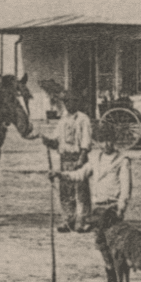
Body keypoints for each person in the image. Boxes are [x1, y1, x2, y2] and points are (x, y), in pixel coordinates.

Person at [52, 119, 133, 282]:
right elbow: (79, 174)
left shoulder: (122, 160)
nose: (106, 144)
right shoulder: (95, 158)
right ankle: (112, 281)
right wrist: (60, 174)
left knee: (113, 247)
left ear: (115, 140)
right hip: (98, 208)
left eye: (110, 140)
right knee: (103, 247)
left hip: (112, 209)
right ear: (97, 142)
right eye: (103, 141)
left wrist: (121, 207)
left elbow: (126, 187)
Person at [41, 93, 93, 231]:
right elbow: (56, 140)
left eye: (72, 101)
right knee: (65, 192)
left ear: (77, 103)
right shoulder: (63, 119)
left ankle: (83, 221)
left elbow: (86, 141)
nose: (69, 105)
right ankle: (68, 220)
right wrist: (48, 141)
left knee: (81, 192)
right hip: (65, 160)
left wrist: (81, 159)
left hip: (78, 158)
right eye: (66, 102)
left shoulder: (83, 119)